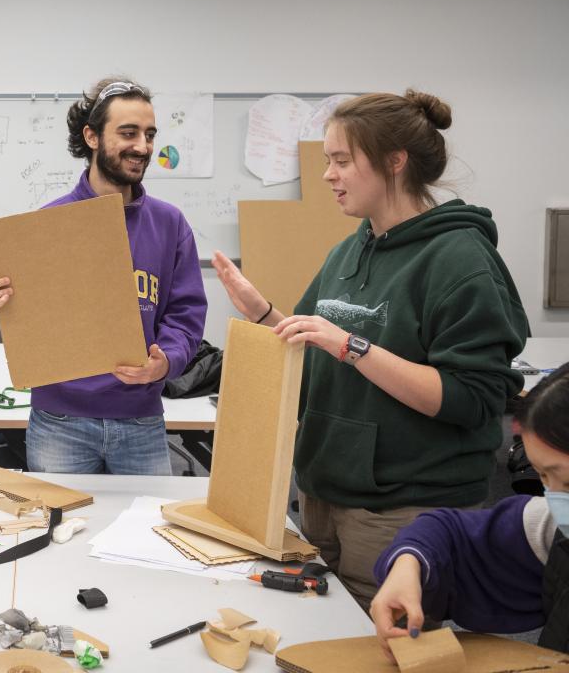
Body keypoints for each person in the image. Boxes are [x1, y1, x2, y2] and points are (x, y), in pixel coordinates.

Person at [212, 90, 529, 610]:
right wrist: (266, 315)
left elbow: (470, 400)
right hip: (323, 495)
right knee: (323, 640)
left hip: (404, 511)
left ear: (394, 162)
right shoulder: (351, 249)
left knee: (381, 650)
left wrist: (352, 346)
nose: (327, 175)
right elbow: (314, 351)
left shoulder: (461, 259)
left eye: (341, 160)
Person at [0, 78, 207, 474]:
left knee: (146, 532)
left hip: (140, 418)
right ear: (92, 136)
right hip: (59, 422)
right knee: (62, 529)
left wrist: (166, 361)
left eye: (150, 134)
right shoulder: (48, 224)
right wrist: (3, 300)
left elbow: (186, 315)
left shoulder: (170, 225)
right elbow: (35, 321)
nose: (143, 147)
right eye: (128, 133)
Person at [370, 362, 569, 658]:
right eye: (542, 476)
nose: (553, 496)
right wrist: (408, 564)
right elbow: (449, 532)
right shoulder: (552, 526)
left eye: (566, 481)